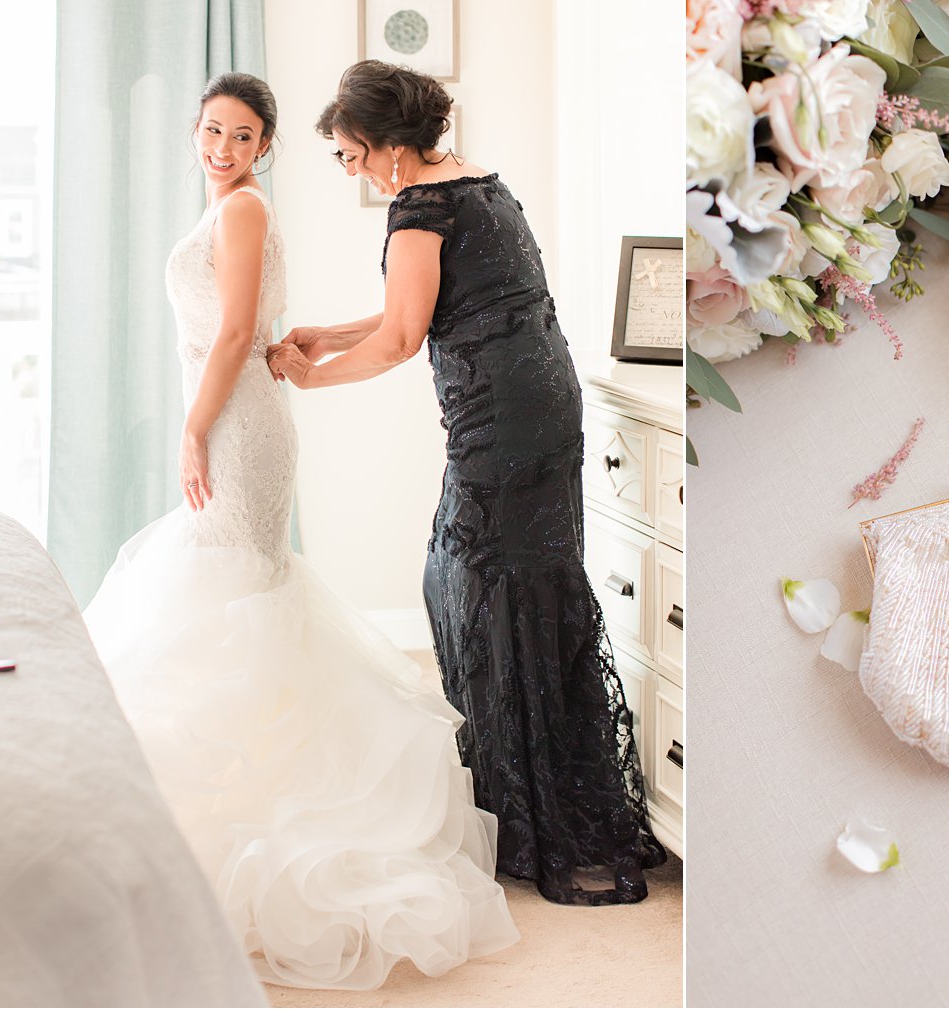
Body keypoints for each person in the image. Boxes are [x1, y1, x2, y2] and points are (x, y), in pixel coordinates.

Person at [83, 72, 518, 990]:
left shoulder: (242, 213)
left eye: (242, 136)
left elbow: (238, 331)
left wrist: (194, 428)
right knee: (230, 597)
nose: (222, 148)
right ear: (193, 132)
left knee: (227, 594)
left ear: (265, 147)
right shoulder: (228, 210)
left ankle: (257, 811)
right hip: (238, 416)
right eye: (211, 131)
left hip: (239, 425)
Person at [268, 59, 666, 905]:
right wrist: (328, 334)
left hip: (502, 421)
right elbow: (433, 306)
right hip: (544, 406)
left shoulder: (418, 209)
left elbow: (406, 335)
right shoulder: (476, 183)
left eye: (349, 155)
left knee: (474, 585)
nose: (352, 172)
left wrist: (314, 378)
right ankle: (540, 800)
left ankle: (524, 814)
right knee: (518, 586)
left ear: (388, 151)